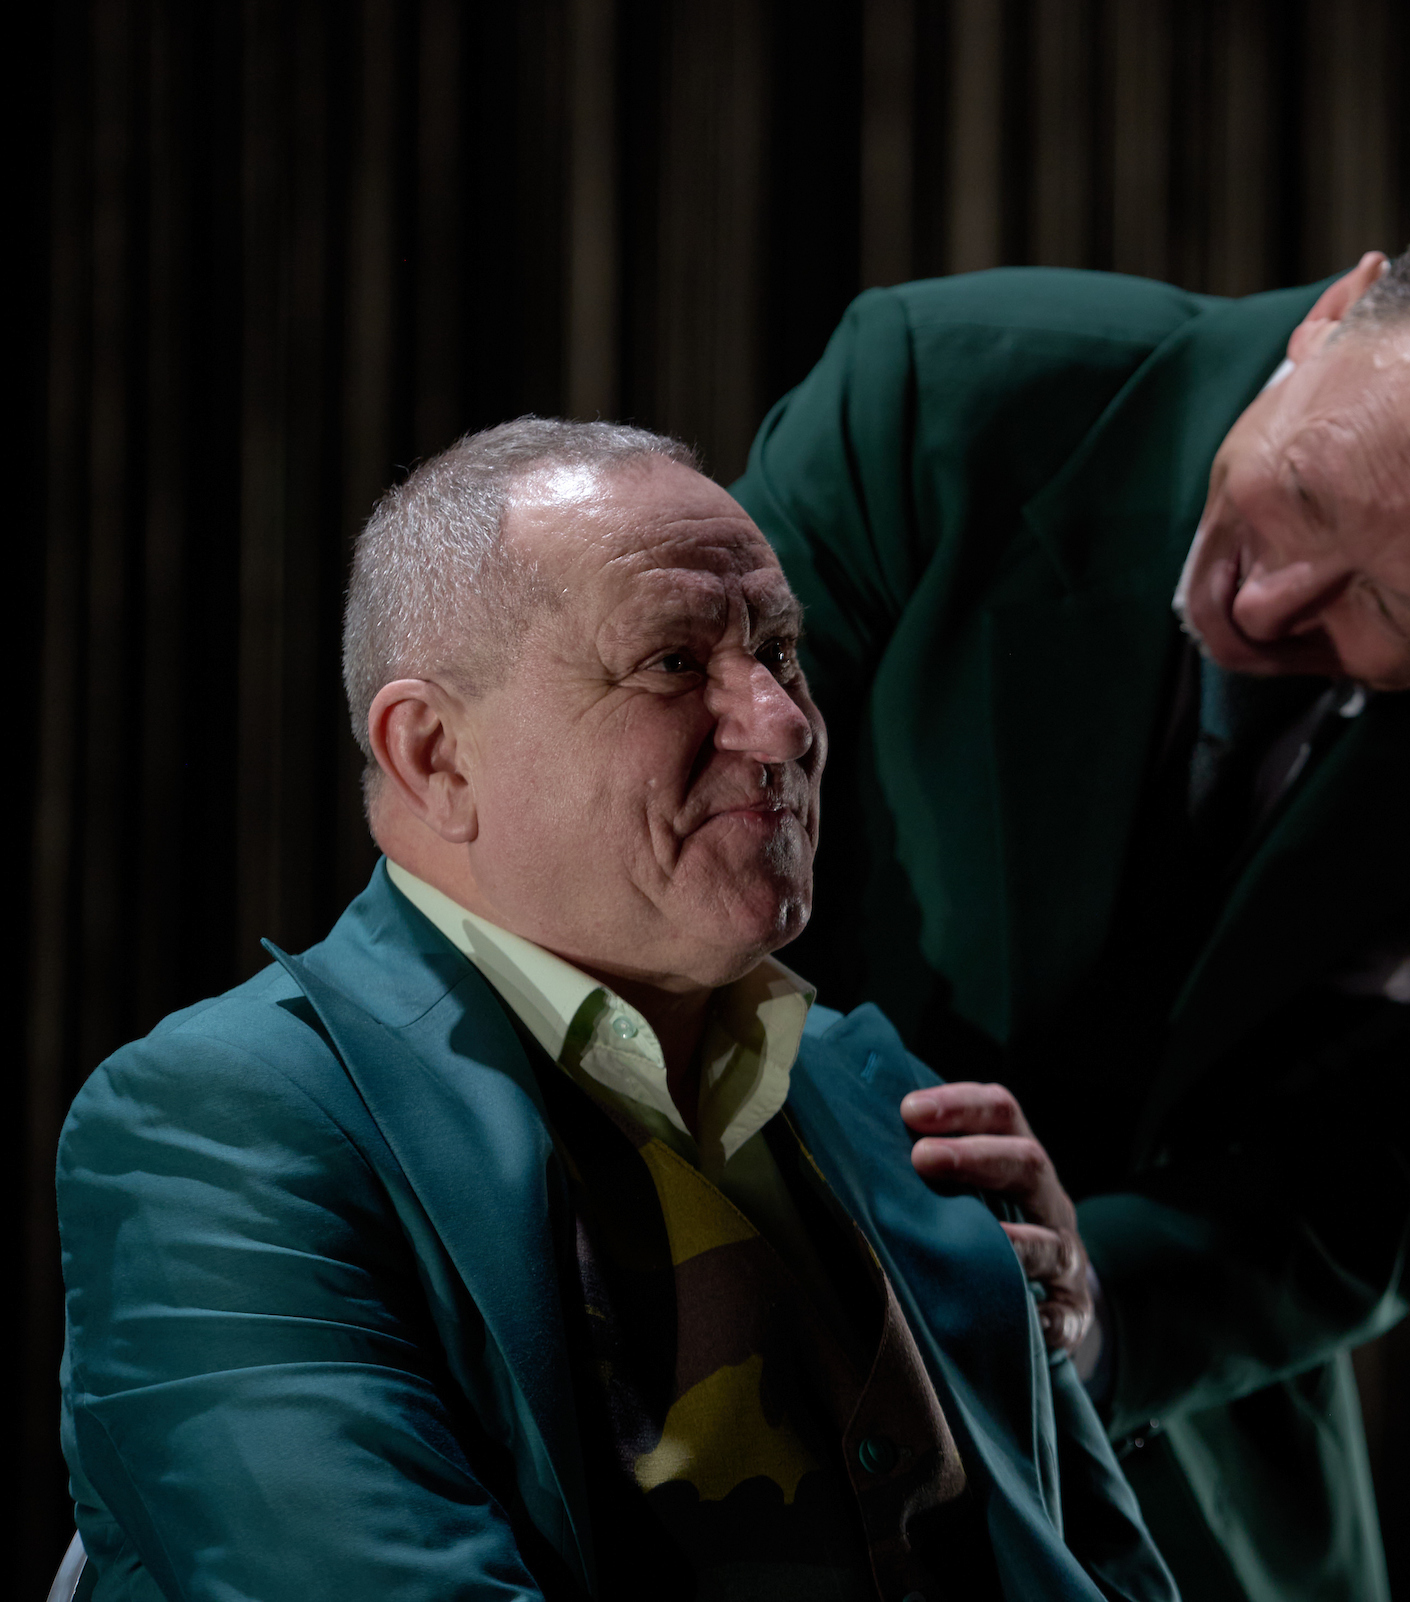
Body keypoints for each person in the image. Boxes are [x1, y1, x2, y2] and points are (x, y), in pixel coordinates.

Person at [730, 99, 1410, 1602]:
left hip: (1180, 1435)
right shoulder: (942, 388)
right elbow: (678, 832)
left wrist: (1092, 1297)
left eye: (1393, 615)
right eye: (1303, 495)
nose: (1269, 603)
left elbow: (1405, 1167)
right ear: (1337, 314)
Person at [54, 420, 1178, 1602]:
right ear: (435, 756)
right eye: (675, 663)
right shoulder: (227, 1128)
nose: (786, 722)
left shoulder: (874, 1085)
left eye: (779, 650)